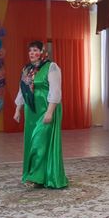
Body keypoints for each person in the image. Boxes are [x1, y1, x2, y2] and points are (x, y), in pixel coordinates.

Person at [13, 41, 67, 189]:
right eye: (30, 50)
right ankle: (38, 176)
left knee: (39, 142)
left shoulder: (51, 67)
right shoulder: (27, 69)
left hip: (46, 109)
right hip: (31, 112)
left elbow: (55, 90)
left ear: (42, 52)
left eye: (35, 50)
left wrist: (49, 112)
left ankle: (36, 177)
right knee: (32, 143)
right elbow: (22, 90)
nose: (32, 53)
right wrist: (17, 109)